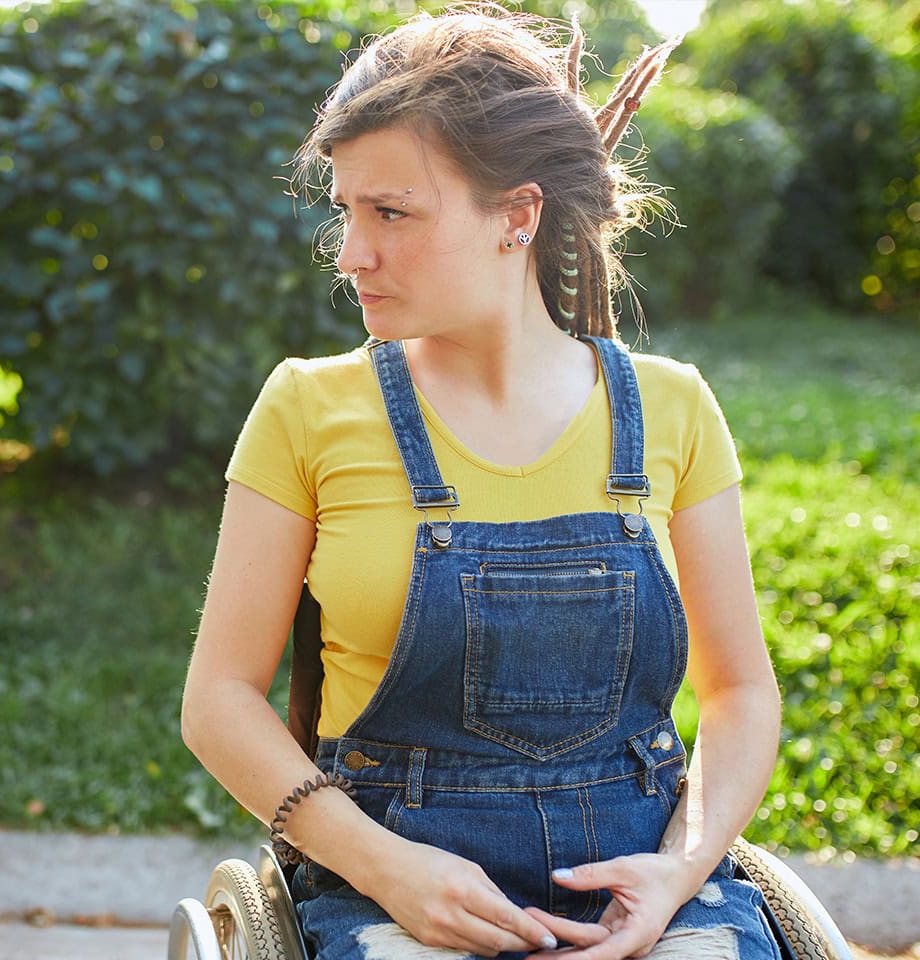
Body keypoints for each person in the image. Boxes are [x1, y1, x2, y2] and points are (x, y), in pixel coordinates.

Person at [181, 6, 782, 959]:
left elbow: (742, 689)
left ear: (518, 216)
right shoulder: (307, 410)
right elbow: (218, 699)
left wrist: (682, 866)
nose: (351, 255)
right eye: (348, 210)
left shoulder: (672, 411)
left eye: (392, 213)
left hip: (646, 887)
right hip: (386, 888)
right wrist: (385, 867)